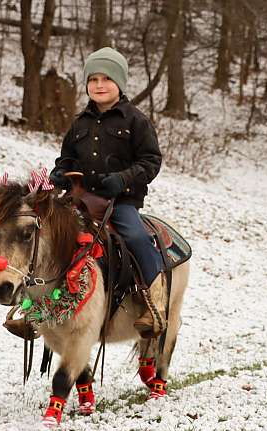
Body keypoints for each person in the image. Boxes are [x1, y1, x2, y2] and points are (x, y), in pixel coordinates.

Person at [49, 46, 166, 338]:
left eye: (106, 79)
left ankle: (153, 304)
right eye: (93, 79)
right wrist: (60, 173)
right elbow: (67, 158)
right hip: (79, 200)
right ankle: (34, 305)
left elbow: (151, 160)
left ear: (120, 83)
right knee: (47, 233)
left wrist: (124, 180)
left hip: (119, 201)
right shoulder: (79, 124)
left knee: (137, 237)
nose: (99, 85)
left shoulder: (135, 120)